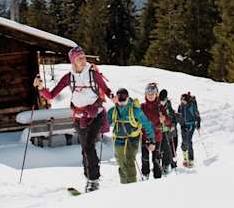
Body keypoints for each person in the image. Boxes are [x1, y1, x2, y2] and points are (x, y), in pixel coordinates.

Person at [34, 46, 111, 192]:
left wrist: (114, 97)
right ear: (73, 61)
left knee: (89, 146)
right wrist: (41, 87)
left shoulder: (93, 74)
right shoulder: (69, 77)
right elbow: (51, 95)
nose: (82, 60)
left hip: (96, 115)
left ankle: (94, 181)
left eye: (83, 57)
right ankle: (89, 178)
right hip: (79, 117)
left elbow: (106, 89)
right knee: (84, 150)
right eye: (79, 58)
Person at [107, 88, 154, 185]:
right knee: (121, 162)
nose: (122, 103)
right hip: (118, 139)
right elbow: (105, 123)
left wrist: (151, 140)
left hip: (132, 139)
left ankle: (132, 186)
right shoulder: (113, 111)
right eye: (120, 100)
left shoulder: (135, 111)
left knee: (129, 160)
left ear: (128, 98)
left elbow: (147, 124)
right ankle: (124, 184)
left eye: (124, 100)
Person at [139, 82, 174, 179]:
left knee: (156, 158)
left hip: (157, 137)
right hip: (145, 136)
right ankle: (145, 174)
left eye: (152, 94)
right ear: (145, 95)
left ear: (156, 94)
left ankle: (157, 176)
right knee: (145, 158)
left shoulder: (160, 107)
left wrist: (165, 119)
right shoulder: (142, 107)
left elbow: (169, 122)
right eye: (148, 94)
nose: (150, 96)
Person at [177, 92, 201, 168]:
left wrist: (198, 123)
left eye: (183, 100)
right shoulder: (180, 106)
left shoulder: (191, 106)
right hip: (183, 126)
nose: (182, 102)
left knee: (189, 141)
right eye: (181, 100)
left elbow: (197, 114)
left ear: (187, 100)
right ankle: (185, 157)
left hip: (191, 125)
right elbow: (179, 115)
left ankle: (190, 159)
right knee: (184, 142)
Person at [159, 88, 180, 170]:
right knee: (164, 149)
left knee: (173, 147)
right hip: (162, 131)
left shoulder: (168, 105)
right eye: (160, 100)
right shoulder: (158, 106)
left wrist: (173, 125)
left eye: (163, 100)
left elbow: (173, 117)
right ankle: (164, 165)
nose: (162, 102)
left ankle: (173, 164)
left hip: (171, 130)